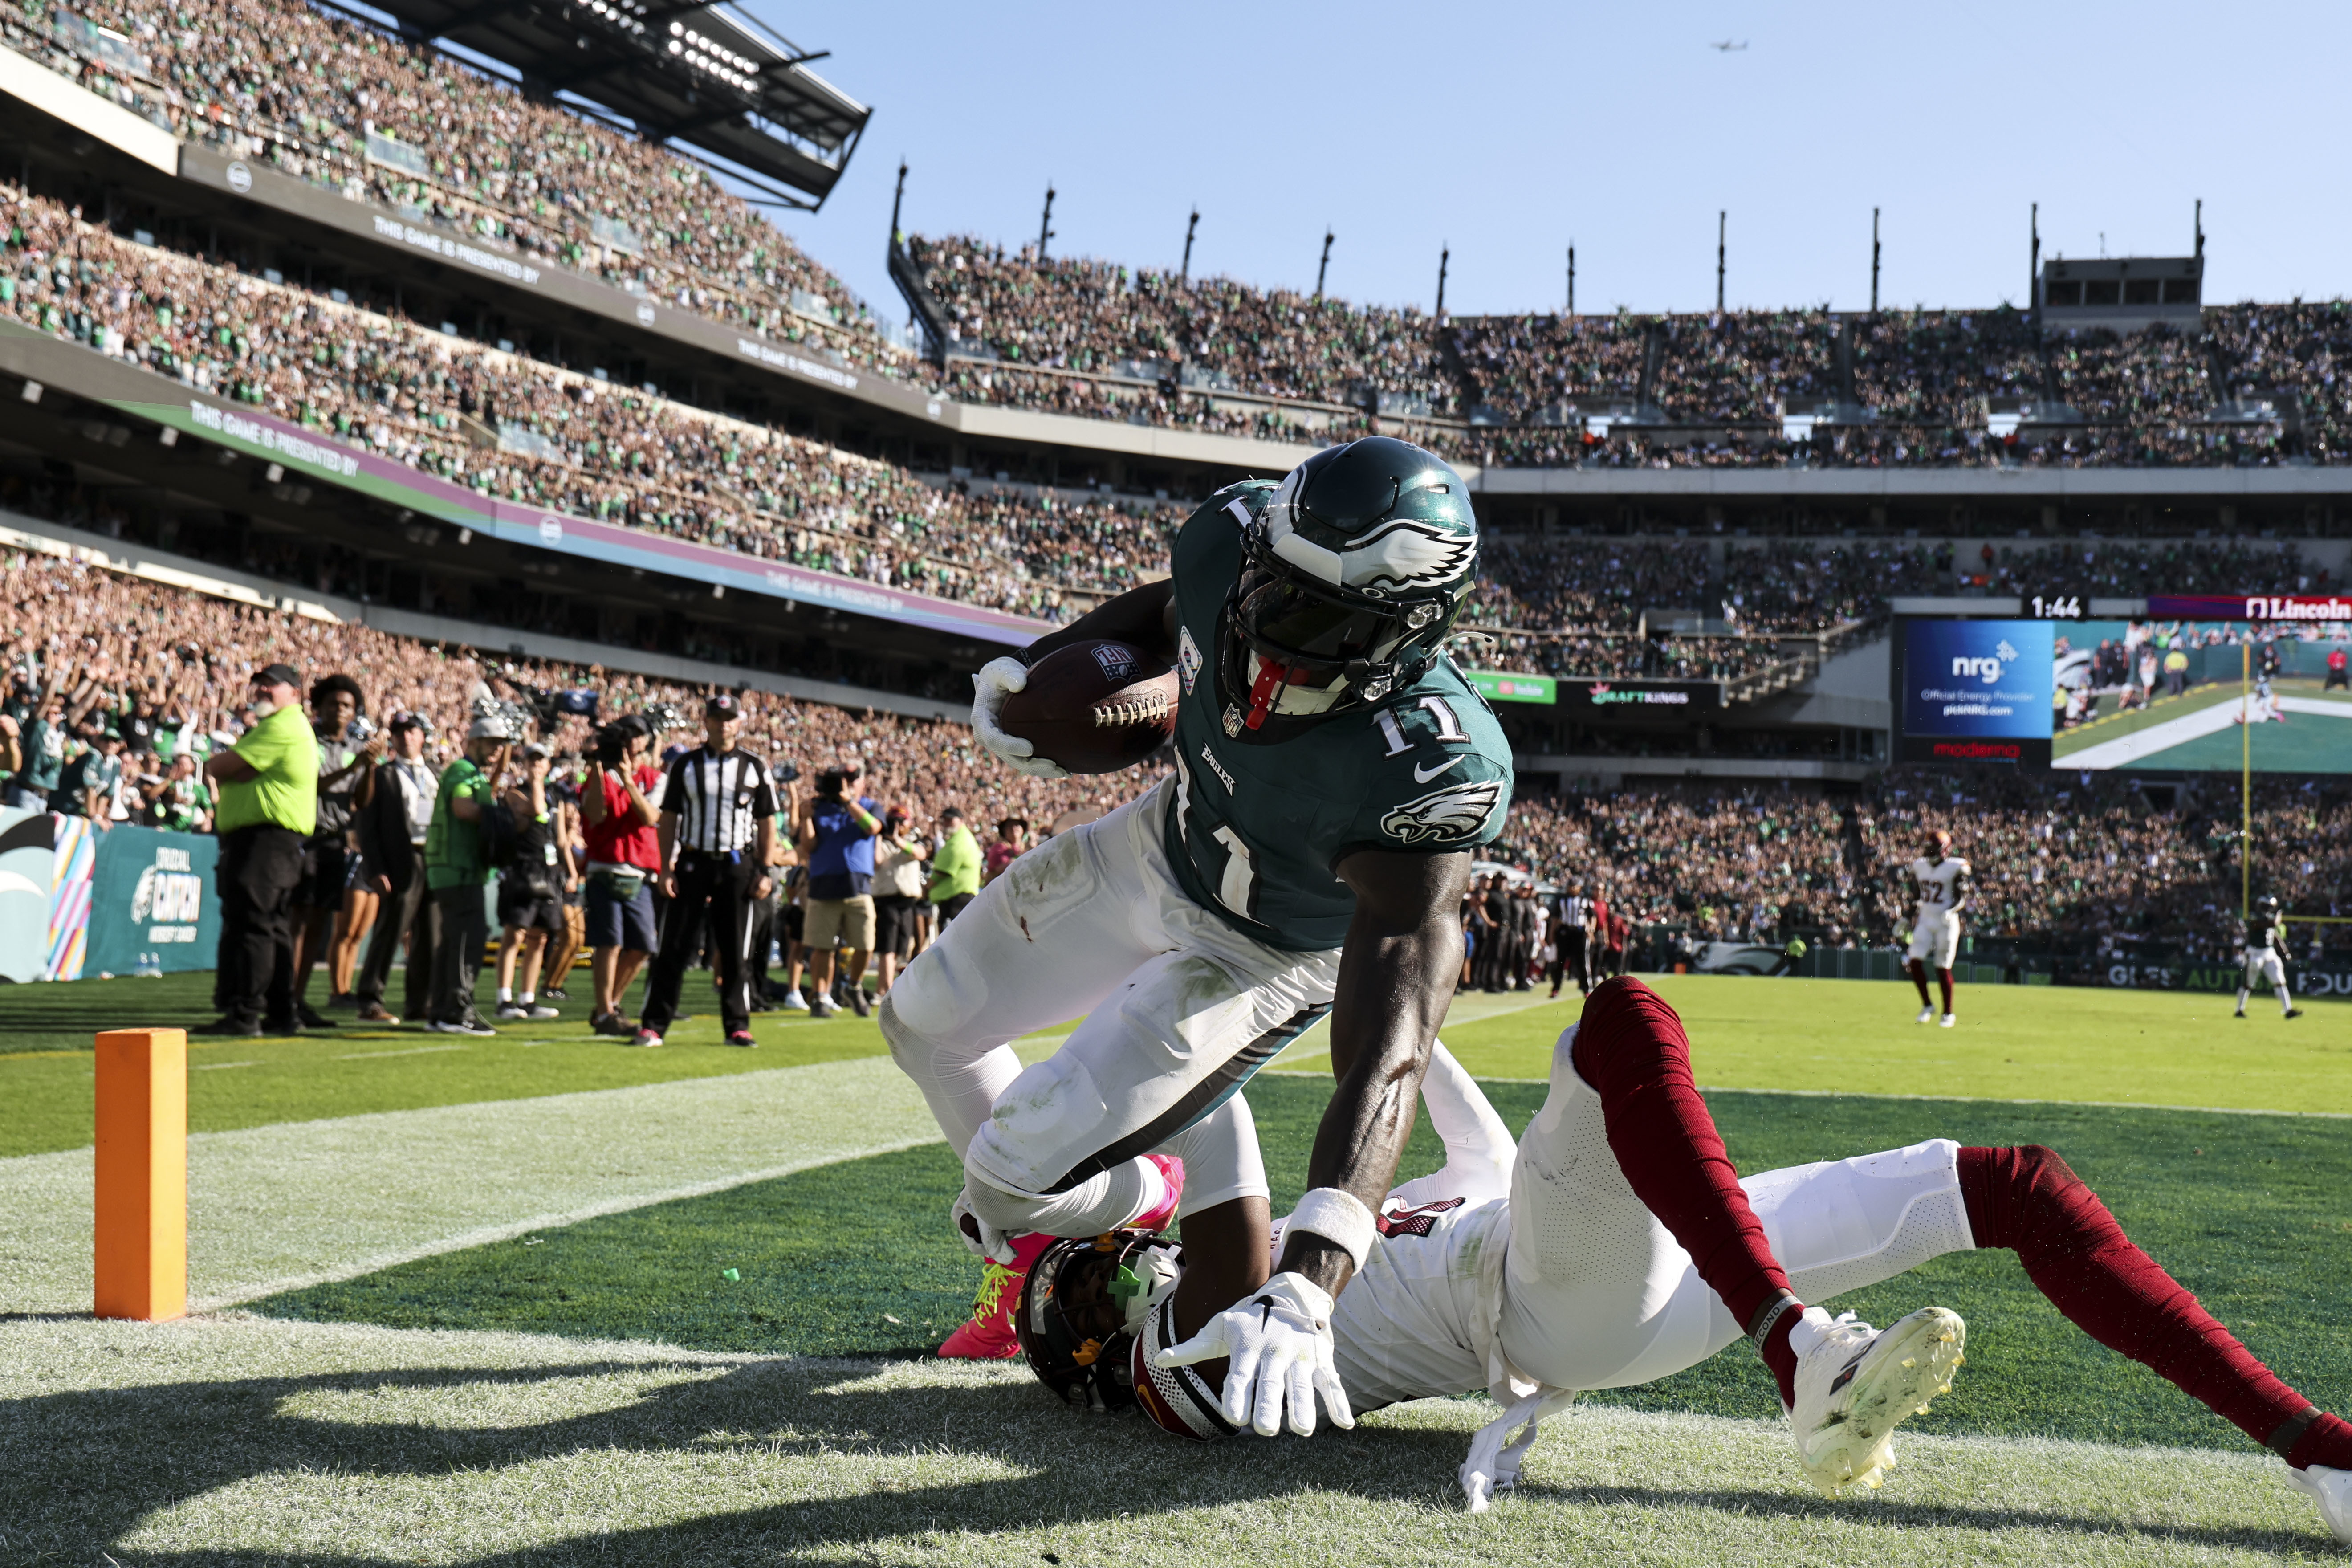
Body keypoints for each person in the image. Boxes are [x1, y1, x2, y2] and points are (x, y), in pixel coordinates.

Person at [1019, 982, 2352, 1543]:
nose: (1117, 1260)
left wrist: (1382, 989)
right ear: (1093, 1348)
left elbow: (1408, 1088)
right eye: (1087, 1282)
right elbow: (1220, 1106)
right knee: (1621, 1019)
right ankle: (1797, 1349)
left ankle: (2312, 1451)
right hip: (1551, 1309)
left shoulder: (1316, 1250)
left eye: (1096, 1254)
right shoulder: (1193, 1354)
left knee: (2014, 1187)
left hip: (1603, 1277)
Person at [886, 437, 1511, 1427]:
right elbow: (1169, 610)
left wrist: (1310, 1276)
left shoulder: (1426, 769)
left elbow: (1388, 1055)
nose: (1262, 625)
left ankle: (1151, 1183)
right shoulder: (1235, 536)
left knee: (1005, 1187)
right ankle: (1181, 1148)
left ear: (1406, 633)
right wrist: (1048, 673)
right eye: (1269, 588)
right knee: (921, 1020)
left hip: (1257, 954)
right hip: (1158, 845)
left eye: (1311, 615)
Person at [632, 694, 777, 1048]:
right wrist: (666, 866)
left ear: (739, 723)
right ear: (707, 722)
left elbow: (767, 821)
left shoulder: (756, 767)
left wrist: (765, 869)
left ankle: (737, 1026)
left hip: (737, 864)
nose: (723, 724)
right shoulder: (685, 765)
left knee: (735, 950)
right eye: (717, 718)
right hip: (693, 861)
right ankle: (653, 1024)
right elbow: (669, 818)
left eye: (730, 718)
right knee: (675, 946)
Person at [198, 663, 320, 1036]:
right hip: (272, 841)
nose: (262, 691)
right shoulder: (283, 727)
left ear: (295, 693)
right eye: (260, 686)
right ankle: (281, 1013)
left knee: (253, 925)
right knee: (271, 927)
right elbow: (233, 769)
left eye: (272, 686)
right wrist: (236, 770)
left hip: (265, 841)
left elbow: (219, 765)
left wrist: (230, 767)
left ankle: (246, 1013)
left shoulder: (282, 726)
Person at [290, 674, 384, 1023]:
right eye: (333, 704)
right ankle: (284, 998)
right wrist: (355, 766)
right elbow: (309, 785)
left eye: (347, 705)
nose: (340, 710)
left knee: (317, 924)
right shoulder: (307, 742)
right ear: (319, 708)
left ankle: (298, 1000)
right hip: (304, 835)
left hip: (334, 840)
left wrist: (369, 768)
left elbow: (361, 800)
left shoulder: (354, 751)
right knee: (297, 923)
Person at [422, 714, 512, 1037]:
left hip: (455, 868)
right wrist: (501, 817)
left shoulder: (473, 773)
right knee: (466, 941)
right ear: (473, 742)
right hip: (457, 868)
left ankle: (440, 1012)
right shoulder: (463, 771)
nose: (497, 750)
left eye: (500, 745)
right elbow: (463, 807)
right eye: (491, 743)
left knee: (452, 943)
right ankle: (457, 1012)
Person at [352, 713, 437, 1026]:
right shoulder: (383, 774)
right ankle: (370, 999)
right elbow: (367, 825)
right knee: (391, 931)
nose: (405, 738)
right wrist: (375, 868)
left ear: (422, 736)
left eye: (411, 732)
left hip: (432, 857)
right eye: (399, 733)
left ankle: (421, 1003)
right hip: (400, 859)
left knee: (430, 933)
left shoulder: (434, 773)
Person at [581, 714, 662, 1035]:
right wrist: (601, 770)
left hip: (639, 871)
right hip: (604, 867)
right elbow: (596, 815)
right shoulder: (597, 776)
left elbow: (650, 816)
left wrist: (628, 780)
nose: (631, 744)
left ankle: (608, 1006)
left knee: (643, 944)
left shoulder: (655, 777)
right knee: (609, 942)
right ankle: (605, 1014)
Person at [797, 764, 883, 1018]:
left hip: (858, 886)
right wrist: (805, 818)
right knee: (822, 947)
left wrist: (849, 802)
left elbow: (873, 828)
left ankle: (853, 986)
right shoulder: (817, 807)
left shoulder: (868, 805)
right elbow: (809, 846)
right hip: (823, 885)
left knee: (866, 945)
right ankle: (820, 998)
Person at [494, 742, 570, 1022]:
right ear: (525, 764)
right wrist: (537, 783)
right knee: (515, 934)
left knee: (539, 938)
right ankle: (504, 998)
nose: (537, 765)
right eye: (532, 761)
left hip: (548, 872)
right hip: (524, 870)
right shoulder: (516, 794)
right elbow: (537, 810)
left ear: (549, 764)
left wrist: (570, 871)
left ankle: (528, 999)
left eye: (541, 761)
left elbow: (560, 838)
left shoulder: (556, 797)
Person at [1906, 828, 1969, 1028]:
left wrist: (1950, 911)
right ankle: (1927, 1005)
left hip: (1946, 922)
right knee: (1914, 961)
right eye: (1928, 848)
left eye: (1933, 848)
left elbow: (1961, 900)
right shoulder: (1919, 866)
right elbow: (1915, 897)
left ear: (1945, 850)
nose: (1929, 852)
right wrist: (1905, 917)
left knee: (1942, 967)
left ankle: (1948, 1013)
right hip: (1926, 919)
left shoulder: (1955, 867)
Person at [871, 805, 930, 997]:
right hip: (887, 899)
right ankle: (886, 989)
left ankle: (885, 987)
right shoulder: (880, 841)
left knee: (900, 947)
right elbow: (876, 861)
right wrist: (883, 835)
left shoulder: (913, 840)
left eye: (901, 822)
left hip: (907, 901)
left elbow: (920, 854)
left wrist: (899, 840)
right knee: (888, 947)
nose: (897, 826)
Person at [2236, 894, 2304, 1020]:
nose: (2269, 909)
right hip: (2255, 953)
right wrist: (2279, 915)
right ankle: (2239, 1010)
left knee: (2280, 981)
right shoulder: (2254, 918)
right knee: (2248, 984)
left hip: (2269, 952)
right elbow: (2272, 924)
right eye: (2267, 906)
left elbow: (2275, 936)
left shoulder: (2269, 919)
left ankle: (2288, 1010)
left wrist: (2285, 952)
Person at [925, 805, 981, 924]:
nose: (946, 823)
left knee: (952, 939)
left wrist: (926, 889)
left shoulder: (959, 842)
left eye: (950, 820)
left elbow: (942, 872)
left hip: (957, 901)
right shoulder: (961, 838)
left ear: (961, 821)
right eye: (945, 820)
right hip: (957, 899)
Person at [1549, 883, 1589, 998]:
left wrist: (1590, 930)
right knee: (1560, 962)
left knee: (1581, 963)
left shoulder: (1584, 900)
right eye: (1571, 886)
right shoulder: (1562, 899)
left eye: (1575, 886)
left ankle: (1585, 989)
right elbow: (1556, 917)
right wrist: (1551, 934)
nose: (1573, 888)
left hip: (1579, 932)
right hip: (1565, 932)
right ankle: (1556, 988)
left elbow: (1591, 916)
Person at [983, 816, 1030, 884]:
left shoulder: (1027, 848)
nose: (1014, 828)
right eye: (1010, 826)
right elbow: (1001, 868)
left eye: (1017, 825)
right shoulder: (999, 848)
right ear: (1004, 831)